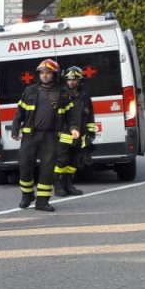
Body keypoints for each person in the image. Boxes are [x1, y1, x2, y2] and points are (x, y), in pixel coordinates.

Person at [11, 59, 80, 211]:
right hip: (31, 135)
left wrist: (74, 128)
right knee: (24, 165)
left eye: (48, 73)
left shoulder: (62, 93)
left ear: (54, 75)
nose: (45, 76)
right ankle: (27, 195)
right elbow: (20, 112)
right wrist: (15, 128)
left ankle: (42, 201)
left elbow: (71, 114)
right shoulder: (30, 91)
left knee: (47, 169)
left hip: (51, 136)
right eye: (42, 73)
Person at [54, 65, 94, 197]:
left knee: (73, 161)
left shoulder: (84, 95)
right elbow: (58, 116)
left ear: (79, 80)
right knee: (62, 161)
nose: (71, 82)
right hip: (64, 134)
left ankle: (69, 185)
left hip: (80, 134)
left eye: (74, 79)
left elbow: (89, 115)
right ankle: (59, 187)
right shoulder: (62, 94)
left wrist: (90, 133)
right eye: (69, 79)